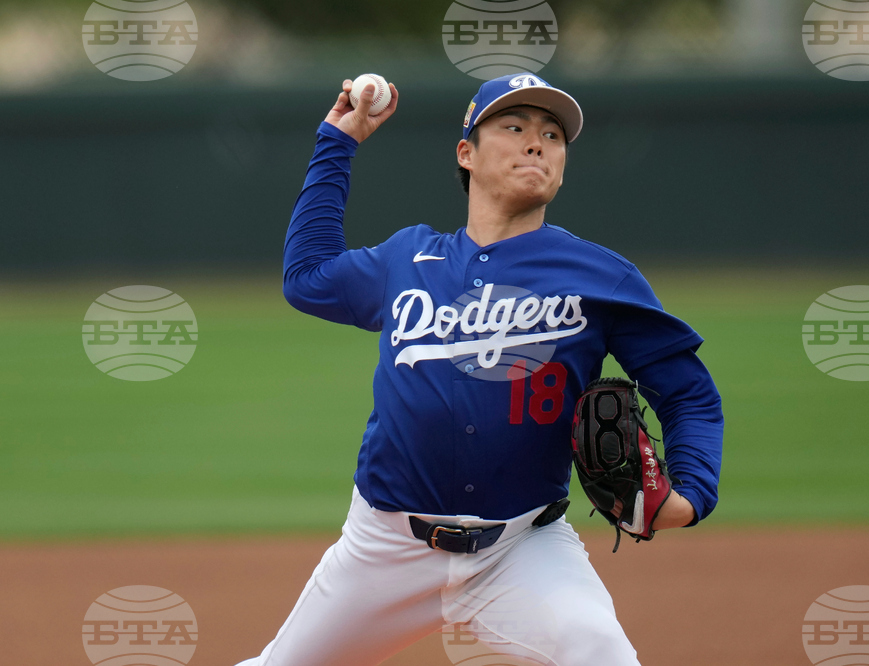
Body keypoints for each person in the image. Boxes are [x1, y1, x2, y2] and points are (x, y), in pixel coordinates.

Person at [238, 72, 724, 666]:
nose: (537, 142)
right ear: (466, 153)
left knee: (600, 652)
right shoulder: (408, 260)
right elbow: (307, 277)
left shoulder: (601, 277)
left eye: (553, 134)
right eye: (514, 127)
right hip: (383, 548)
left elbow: (686, 393)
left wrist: (692, 494)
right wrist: (338, 140)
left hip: (523, 548)